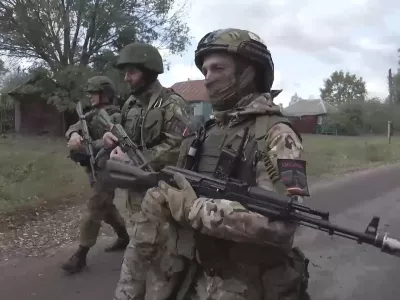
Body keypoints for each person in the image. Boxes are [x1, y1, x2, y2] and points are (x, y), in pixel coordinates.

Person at [141, 28, 311, 300]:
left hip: (249, 284)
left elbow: (283, 222)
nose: (207, 79)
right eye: (205, 70)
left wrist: (194, 209)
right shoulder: (207, 130)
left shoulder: (276, 135)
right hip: (195, 273)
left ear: (248, 73)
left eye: (217, 68)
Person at [103, 42, 192, 300]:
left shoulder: (171, 103)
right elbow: (123, 133)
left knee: (161, 263)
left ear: (149, 71)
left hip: (161, 195)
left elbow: (179, 144)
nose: (126, 78)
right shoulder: (130, 104)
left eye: (132, 72)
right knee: (138, 253)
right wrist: (112, 139)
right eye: (126, 72)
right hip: (133, 196)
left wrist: (140, 162)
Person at [62, 76, 129, 274]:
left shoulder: (114, 116)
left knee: (95, 207)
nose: (90, 96)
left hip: (108, 167)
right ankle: (124, 237)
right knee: (105, 207)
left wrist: (91, 145)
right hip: (93, 168)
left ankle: (80, 255)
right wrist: (74, 135)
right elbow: (75, 127)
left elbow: (116, 141)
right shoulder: (90, 114)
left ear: (105, 93)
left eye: (94, 93)